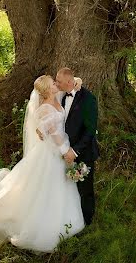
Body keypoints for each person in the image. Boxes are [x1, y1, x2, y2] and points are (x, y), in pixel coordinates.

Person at [0, 75, 85, 253]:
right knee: (46, 185)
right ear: (47, 90)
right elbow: (55, 135)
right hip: (52, 152)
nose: (56, 84)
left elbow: (76, 82)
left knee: (59, 184)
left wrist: (75, 80)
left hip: (56, 148)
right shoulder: (45, 108)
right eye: (53, 83)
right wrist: (66, 152)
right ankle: (43, 222)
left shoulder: (57, 96)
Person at [55, 67, 99, 225]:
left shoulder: (88, 99)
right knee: (67, 188)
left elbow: (90, 130)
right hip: (62, 152)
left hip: (83, 153)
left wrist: (75, 151)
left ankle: (87, 223)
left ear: (68, 82)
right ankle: (70, 220)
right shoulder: (59, 94)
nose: (56, 83)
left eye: (58, 81)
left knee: (84, 189)